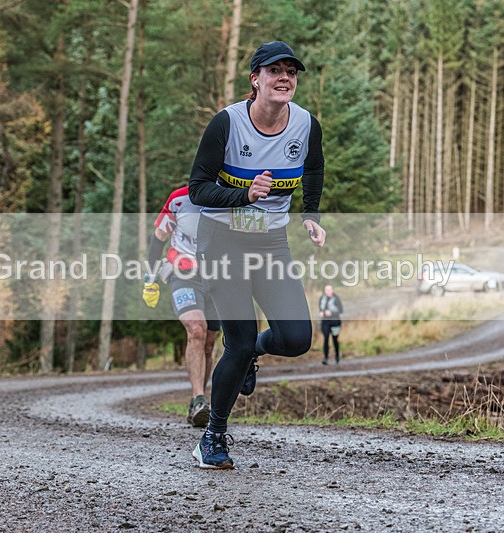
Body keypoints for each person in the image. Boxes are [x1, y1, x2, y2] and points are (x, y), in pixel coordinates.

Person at [188, 41, 325, 469]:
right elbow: (197, 189)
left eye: (291, 72)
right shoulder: (226, 124)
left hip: (270, 242)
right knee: (239, 340)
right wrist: (243, 194)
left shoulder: (305, 124)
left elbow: (314, 166)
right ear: (255, 79)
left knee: (297, 338)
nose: (285, 78)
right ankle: (212, 439)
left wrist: (310, 214)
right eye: (274, 71)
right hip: (223, 240)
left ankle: (253, 353)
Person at [143, 185, 220, 428]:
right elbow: (158, 240)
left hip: (218, 277)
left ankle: (200, 401)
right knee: (196, 329)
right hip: (182, 272)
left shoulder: (229, 197)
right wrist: (150, 279)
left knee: (208, 340)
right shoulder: (178, 200)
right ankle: (198, 399)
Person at [318, 284, 343, 364]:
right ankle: (325, 358)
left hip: (335, 322)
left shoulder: (336, 298)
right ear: (324, 291)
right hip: (325, 322)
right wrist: (321, 312)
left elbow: (341, 310)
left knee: (335, 339)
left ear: (332, 290)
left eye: (330, 290)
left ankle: (337, 356)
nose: (328, 292)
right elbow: (320, 308)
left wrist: (332, 312)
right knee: (326, 339)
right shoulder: (322, 298)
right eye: (326, 290)